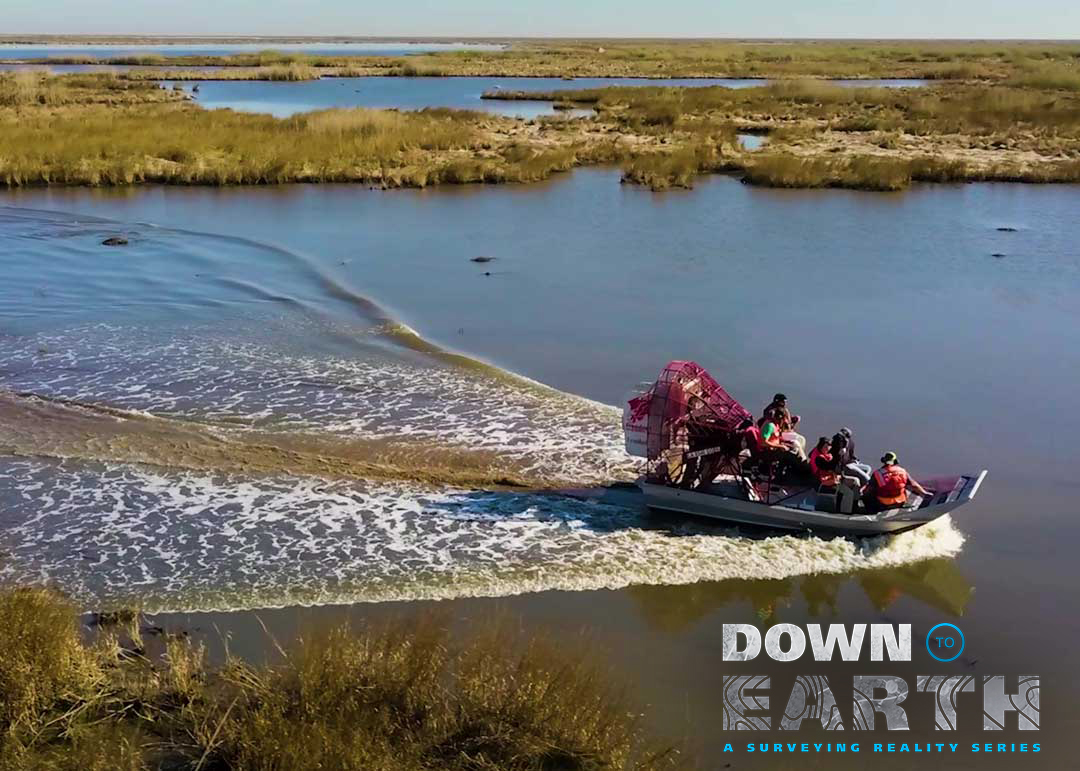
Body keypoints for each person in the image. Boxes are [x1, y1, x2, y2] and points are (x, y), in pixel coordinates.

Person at [863, 452, 932, 512]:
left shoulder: (877, 473)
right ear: (895, 461)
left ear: (883, 461)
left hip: (883, 504)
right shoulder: (902, 471)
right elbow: (914, 485)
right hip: (899, 503)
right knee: (903, 487)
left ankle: (871, 511)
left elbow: (868, 490)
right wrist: (924, 493)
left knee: (867, 494)